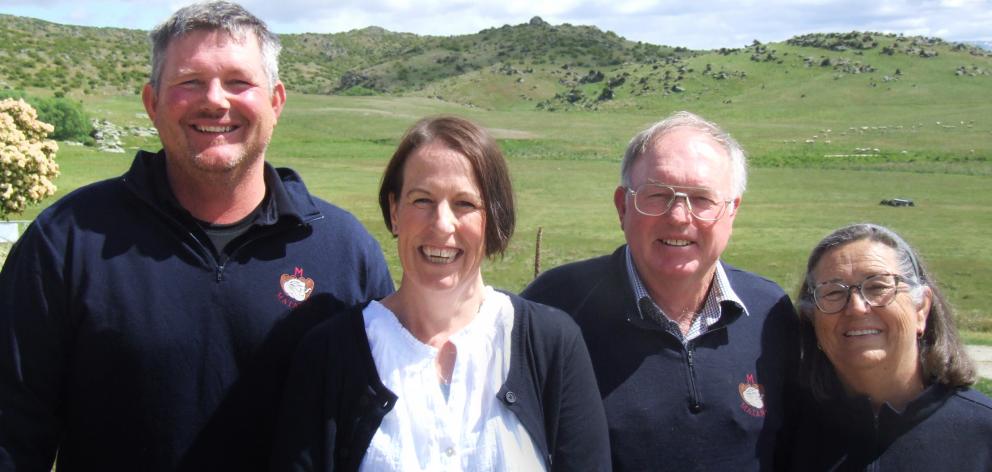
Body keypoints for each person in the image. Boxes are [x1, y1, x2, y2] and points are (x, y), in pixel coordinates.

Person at [0, 2, 393, 471]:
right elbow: (13, 431)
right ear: (152, 102)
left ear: (276, 102)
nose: (215, 100)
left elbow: (384, 434)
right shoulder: (66, 240)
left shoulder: (345, 251)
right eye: (189, 81)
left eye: (238, 82)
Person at [271, 116, 610, 471]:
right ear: (394, 211)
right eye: (422, 200)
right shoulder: (329, 355)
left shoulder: (551, 345)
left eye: (464, 203)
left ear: (492, 219)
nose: (442, 224)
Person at [522, 111, 799, 471]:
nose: (679, 216)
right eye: (658, 195)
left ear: (732, 211)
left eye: (702, 199)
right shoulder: (552, 308)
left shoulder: (769, 312)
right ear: (623, 206)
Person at [788, 223, 992, 470]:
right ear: (812, 318)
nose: (857, 307)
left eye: (877, 287)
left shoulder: (983, 432)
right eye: (833, 292)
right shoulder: (783, 431)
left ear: (921, 308)